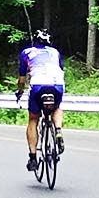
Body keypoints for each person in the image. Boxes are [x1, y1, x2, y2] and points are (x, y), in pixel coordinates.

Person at [15, 29, 65, 171]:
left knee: (33, 119)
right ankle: (58, 130)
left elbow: (22, 78)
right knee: (57, 107)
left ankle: (32, 158)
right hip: (57, 85)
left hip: (38, 85)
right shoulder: (55, 52)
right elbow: (61, 70)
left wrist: (20, 91)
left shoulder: (27, 52)